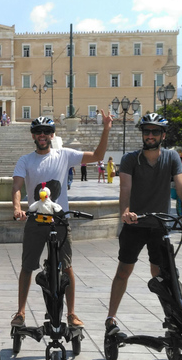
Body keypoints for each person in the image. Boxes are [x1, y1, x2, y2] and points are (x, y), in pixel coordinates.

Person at [104, 113, 182, 337]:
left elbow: (181, 187)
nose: (150, 135)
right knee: (123, 270)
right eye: (147, 131)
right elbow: (125, 189)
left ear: (163, 135)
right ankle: (110, 319)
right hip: (135, 224)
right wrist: (125, 212)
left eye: (155, 132)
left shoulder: (171, 157)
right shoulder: (131, 158)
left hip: (159, 225)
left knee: (161, 275)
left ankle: (170, 318)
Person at [11, 113, 112, 329]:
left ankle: (72, 314)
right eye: (38, 132)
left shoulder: (63, 155)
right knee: (27, 266)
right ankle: (20, 312)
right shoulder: (25, 160)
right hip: (36, 218)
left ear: (52, 135)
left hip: (59, 219)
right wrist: (17, 207)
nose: (42, 135)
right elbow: (17, 187)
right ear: (33, 135)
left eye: (47, 132)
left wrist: (106, 128)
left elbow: (97, 155)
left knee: (66, 266)